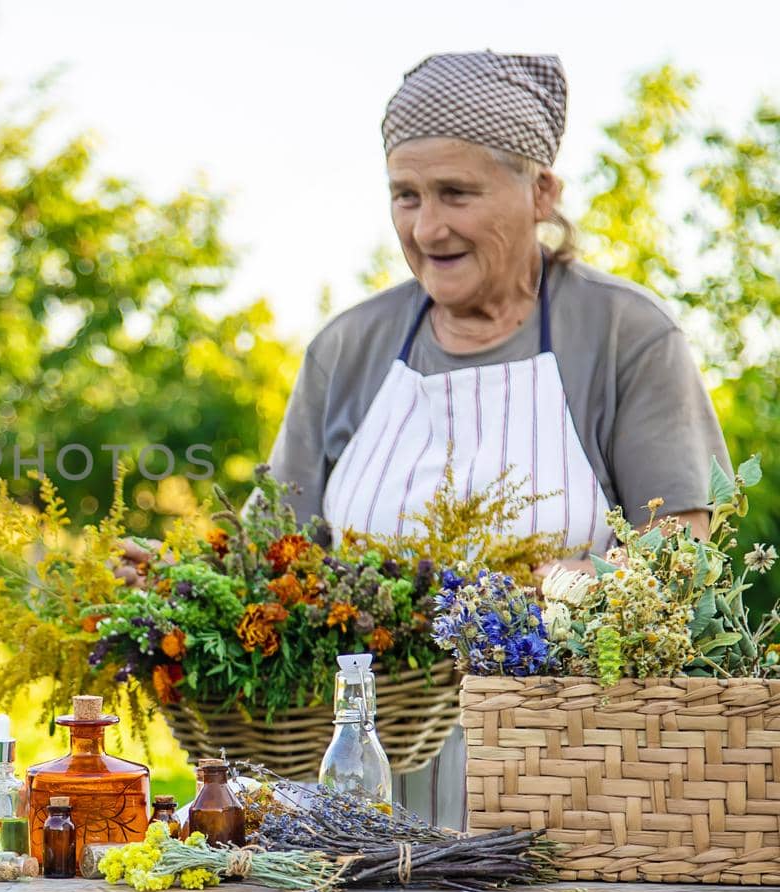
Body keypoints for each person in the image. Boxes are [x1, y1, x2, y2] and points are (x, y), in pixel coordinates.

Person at [267, 51, 731, 825]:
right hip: (359, 800)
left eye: (456, 193)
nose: (426, 227)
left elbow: (679, 547)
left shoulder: (624, 335)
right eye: (405, 195)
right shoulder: (349, 348)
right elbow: (272, 555)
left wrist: (566, 588)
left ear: (541, 190)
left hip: (575, 784)